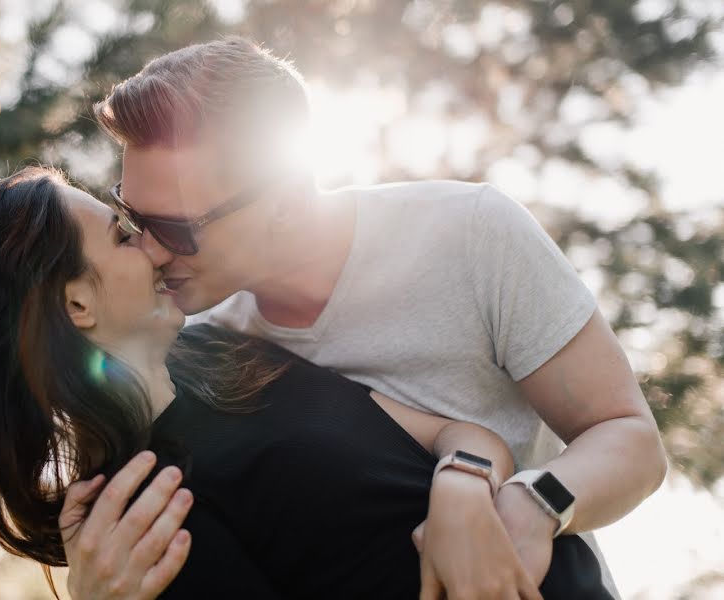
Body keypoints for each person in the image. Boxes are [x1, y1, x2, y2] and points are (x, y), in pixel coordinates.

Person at [72, 36, 668, 599]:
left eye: (174, 228)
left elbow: (630, 438)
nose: (148, 250)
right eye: (130, 215)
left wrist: (532, 503)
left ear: (281, 198)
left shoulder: (472, 234)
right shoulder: (202, 345)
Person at [0, 168, 612, 599]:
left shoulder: (226, 350)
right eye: (120, 235)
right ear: (78, 304)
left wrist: (461, 486)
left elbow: (461, 431)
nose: (154, 242)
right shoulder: (133, 519)